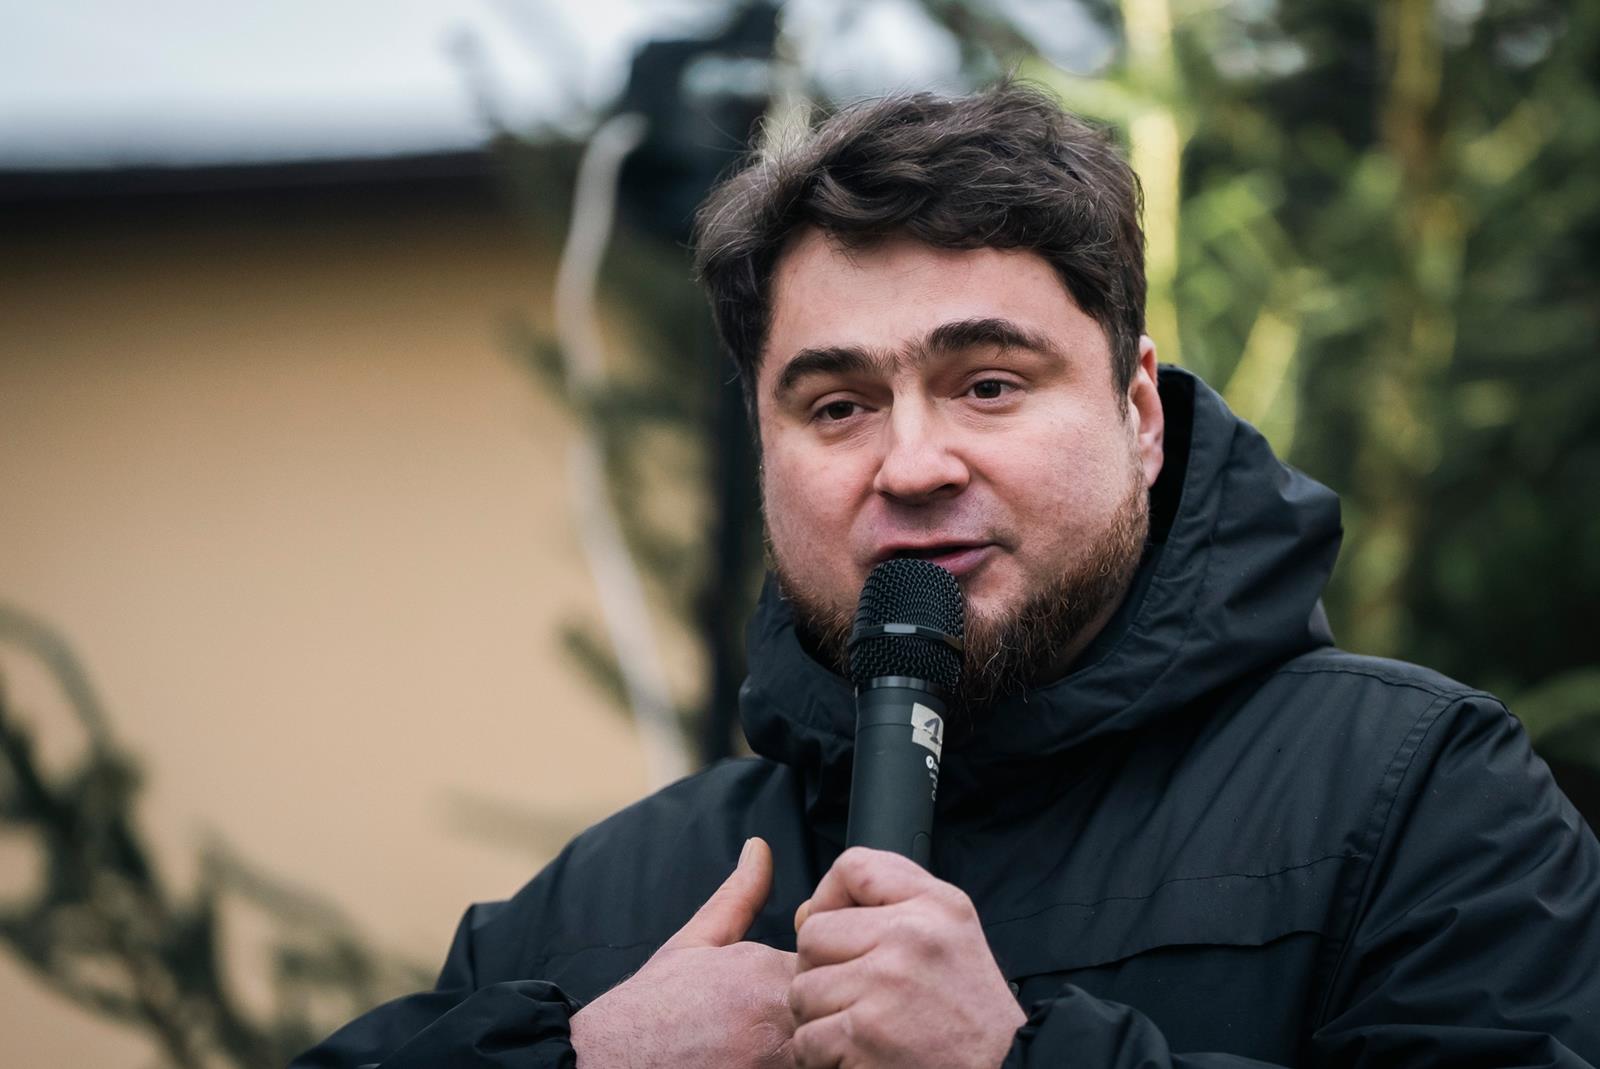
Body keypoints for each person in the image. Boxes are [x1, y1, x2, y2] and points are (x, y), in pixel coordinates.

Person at [295, 84, 1600, 1068]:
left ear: (1140, 413)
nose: (912, 464)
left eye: (988, 384)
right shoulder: (609, 902)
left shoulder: (1417, 797)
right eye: (838, 405)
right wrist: (579, 1058)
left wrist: (1016, 1058)